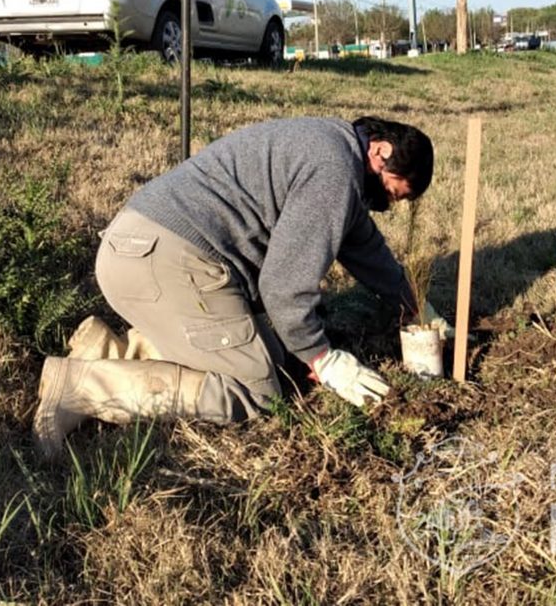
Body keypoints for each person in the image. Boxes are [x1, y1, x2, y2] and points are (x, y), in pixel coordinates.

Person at [33, 116, 448, 460]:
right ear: (380, 151)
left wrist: (417, 307)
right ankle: (83, 388)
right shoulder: (334, 173)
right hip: (167, 262)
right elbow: (284, 290)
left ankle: (113, 352)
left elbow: (368, 251)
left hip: (139, 249)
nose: (389, 204)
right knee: (259, 389)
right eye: (393, 193)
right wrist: (323, 358)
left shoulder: (330, 148)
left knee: (275, 356)